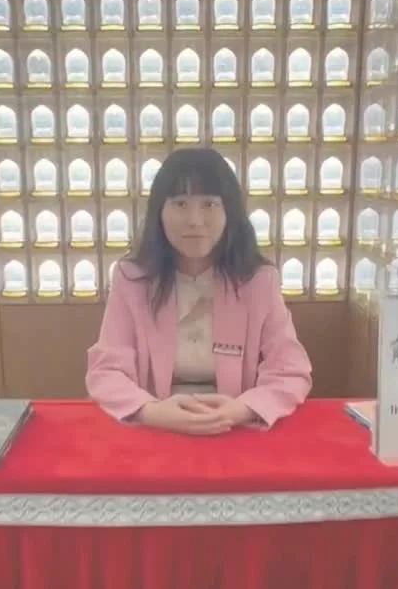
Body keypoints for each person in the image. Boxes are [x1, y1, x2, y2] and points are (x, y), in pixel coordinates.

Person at [86, 148, 312, 435]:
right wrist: (151, 411)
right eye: (180, 204)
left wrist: (242, 409)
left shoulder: (258, 281)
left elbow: (290, 370)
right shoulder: (132, 278)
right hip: (156, 429)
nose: (194, 220)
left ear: (230, 212)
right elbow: (107, 371)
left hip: (233, 430)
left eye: (209, 204)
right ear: (159, 213)